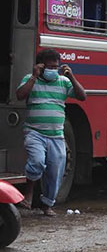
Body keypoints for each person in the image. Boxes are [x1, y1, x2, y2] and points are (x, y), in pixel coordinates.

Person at [16, 49, 86, 216]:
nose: (53, 70)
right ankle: (29, 193)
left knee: (56, 171)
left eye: (56, 67)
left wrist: (72, 77)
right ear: (40, 66)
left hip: (56, 135)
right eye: (49, 67)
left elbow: (82, 96)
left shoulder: (63, 82)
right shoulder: (30, 79)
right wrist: (34, 76)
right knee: (37, 162)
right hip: (35, 132)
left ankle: (47, 204)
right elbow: (20, 95)